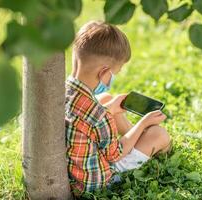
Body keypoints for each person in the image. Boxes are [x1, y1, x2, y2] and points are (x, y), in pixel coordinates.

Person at [65, 20, 172, 197]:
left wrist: (110, 109)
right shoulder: (99, 116)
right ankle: (154, 143)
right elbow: (117, 154)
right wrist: (143, 123)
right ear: (103, 72)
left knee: (105, 99)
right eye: (115, 73)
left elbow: (90, 118)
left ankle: (140, 138)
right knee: (159, 135)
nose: (113, 78)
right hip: (100, 181)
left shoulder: (61, 91)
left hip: (77, 170)